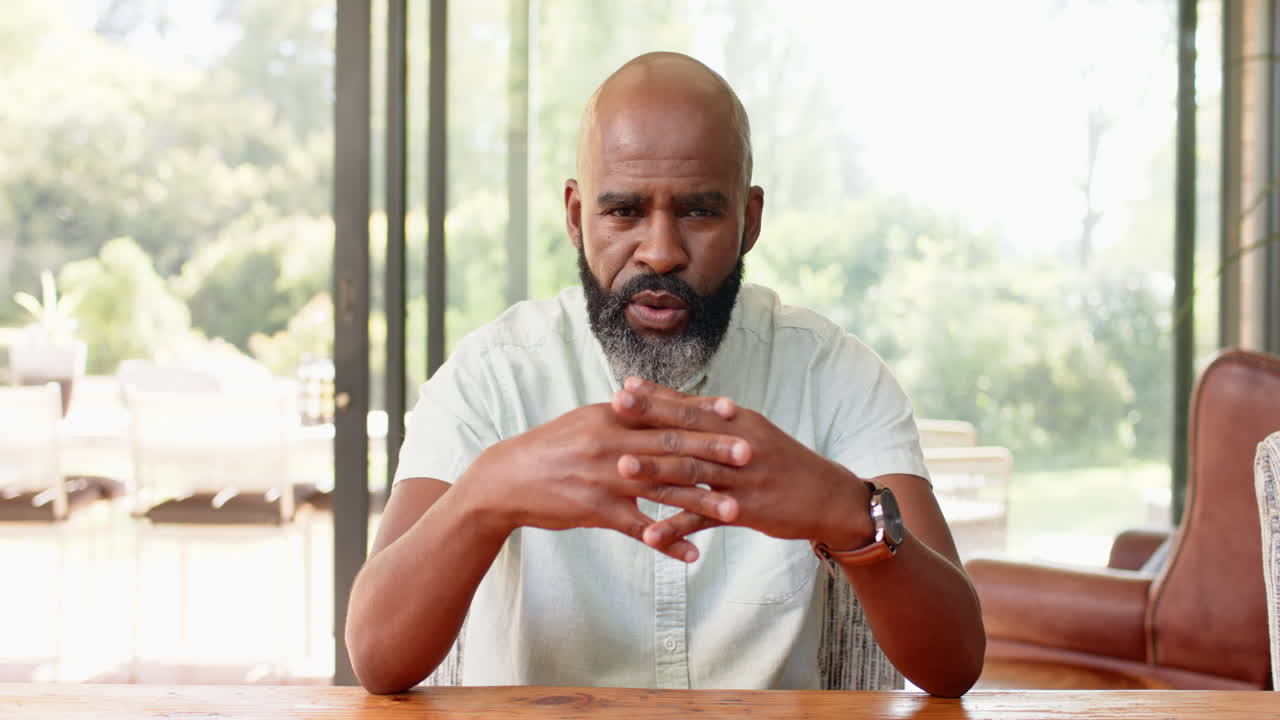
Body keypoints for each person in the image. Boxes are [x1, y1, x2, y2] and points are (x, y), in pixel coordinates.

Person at [345, 51, 985, 696]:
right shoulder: (494, 373)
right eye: (623, 211)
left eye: (699, 212)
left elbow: (953, 664)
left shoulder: (832, 371)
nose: (661, 252)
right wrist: (487, 495)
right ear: (575, 217)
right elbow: (378, 658)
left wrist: (846, 513)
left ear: (750, 220)